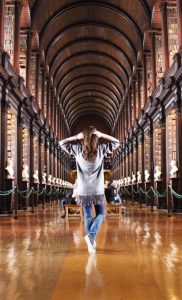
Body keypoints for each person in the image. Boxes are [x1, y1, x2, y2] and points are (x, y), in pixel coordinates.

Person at [59, 126, 120, 254]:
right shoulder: (101, 149)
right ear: (96, 138)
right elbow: (117, 142)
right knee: (101, 214)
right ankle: (91, 236)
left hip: (83, 190)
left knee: (87, 216)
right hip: (97, 190)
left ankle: (90, 243)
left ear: (83, 138)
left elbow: (61, 143)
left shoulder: (77, 150)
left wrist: (76, 137)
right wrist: (102, 134)